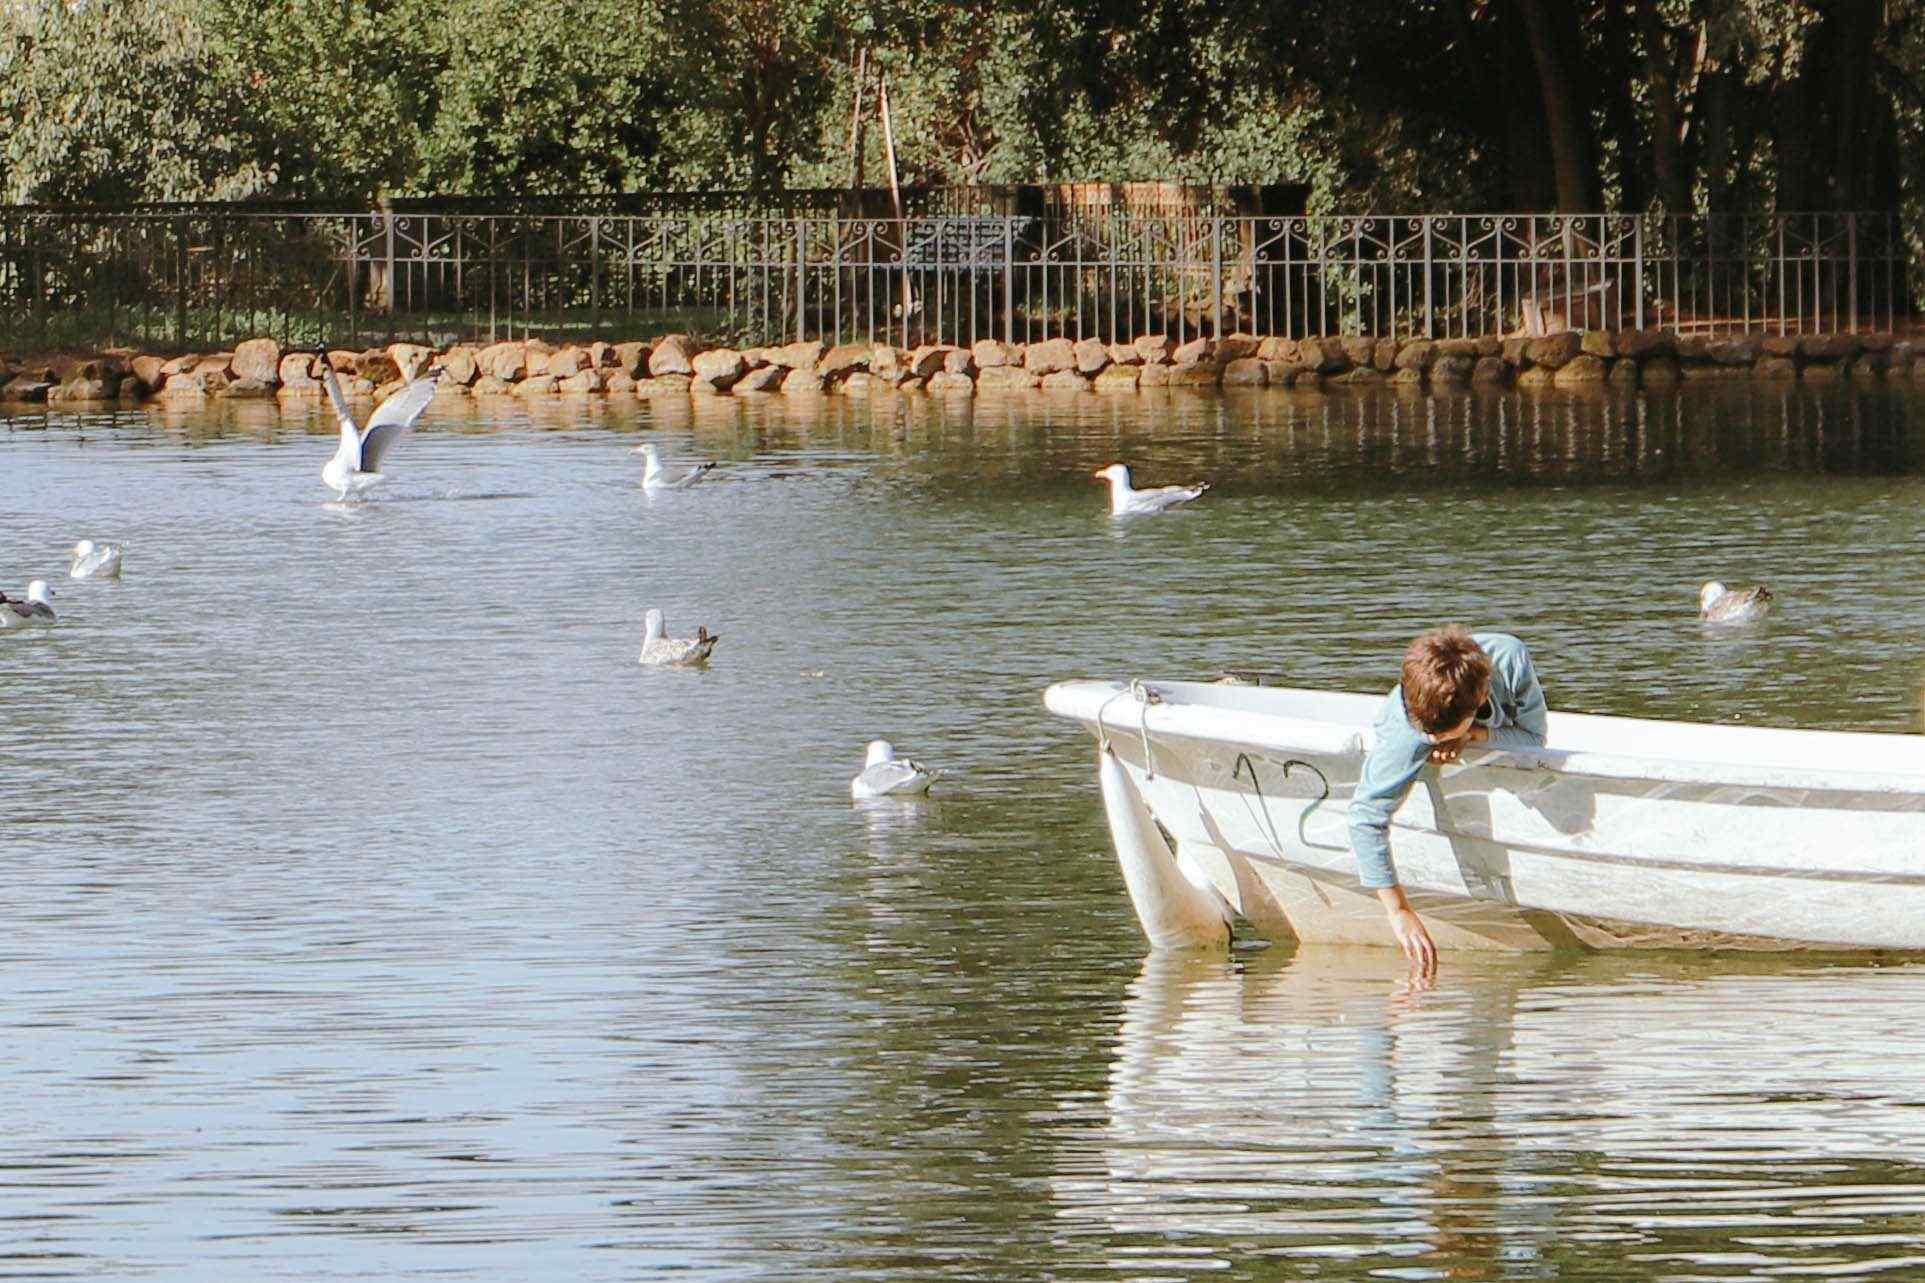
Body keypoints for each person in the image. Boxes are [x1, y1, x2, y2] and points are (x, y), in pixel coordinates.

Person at [1349, 627, 1548, 979]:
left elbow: (1534, 739)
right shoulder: (1407, 736)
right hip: (1414, 725)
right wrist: (1398, 911)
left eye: (1438, 737)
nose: (1429, 740)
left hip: (1479, 715)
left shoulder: (1509, 657)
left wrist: (1475, 736)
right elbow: (1365, 818)